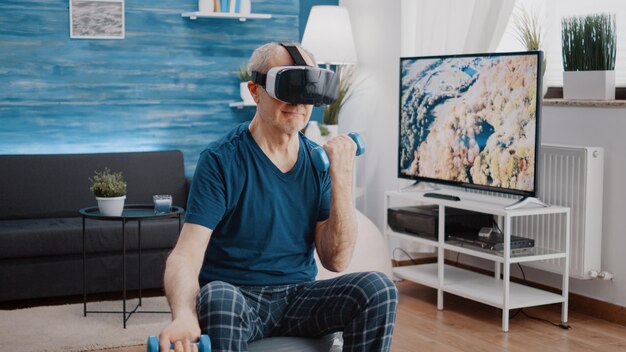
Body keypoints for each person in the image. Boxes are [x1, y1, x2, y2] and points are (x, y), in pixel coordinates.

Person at [158, 42, 398, 352]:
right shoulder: (221, 159)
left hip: (299, 298)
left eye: (307, 89)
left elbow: (336, 260)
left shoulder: (317, 161)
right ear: (255, 91)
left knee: (379, 289)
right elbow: (185, 255)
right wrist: (184, 315)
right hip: (237, 296)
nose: (298, 102)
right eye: (287, 87)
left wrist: (342, 178)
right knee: (217, 295)